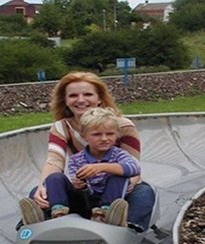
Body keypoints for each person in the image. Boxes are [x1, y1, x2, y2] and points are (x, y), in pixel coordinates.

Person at [18, 71, 156, 231]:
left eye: (88, 94)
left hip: (118, 191)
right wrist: (43, 187)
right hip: (84, 192)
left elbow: (133, 166)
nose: (81, 100)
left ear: (99, 98)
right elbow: (55, 161)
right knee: (42, 189)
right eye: (73, 95)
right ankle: (39, 223)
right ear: (65, 100)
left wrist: (119, 184)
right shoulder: (61, 127)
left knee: (144, 192)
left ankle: (125, 226)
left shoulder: (122, 126)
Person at [21, 107, 140, 226]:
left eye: (110, 134)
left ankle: (105, 214)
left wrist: (102, 167)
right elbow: (73, 177)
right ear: (84, 136)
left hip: (109, 199)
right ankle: (57, 213)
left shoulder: (119, 154)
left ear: (116, 135)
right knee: (54, 178)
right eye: (97, 134)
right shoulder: (76, 159)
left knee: (118, 175)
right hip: (84, 199)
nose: (104, 138)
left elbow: (134, 168)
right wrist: (77, 183)